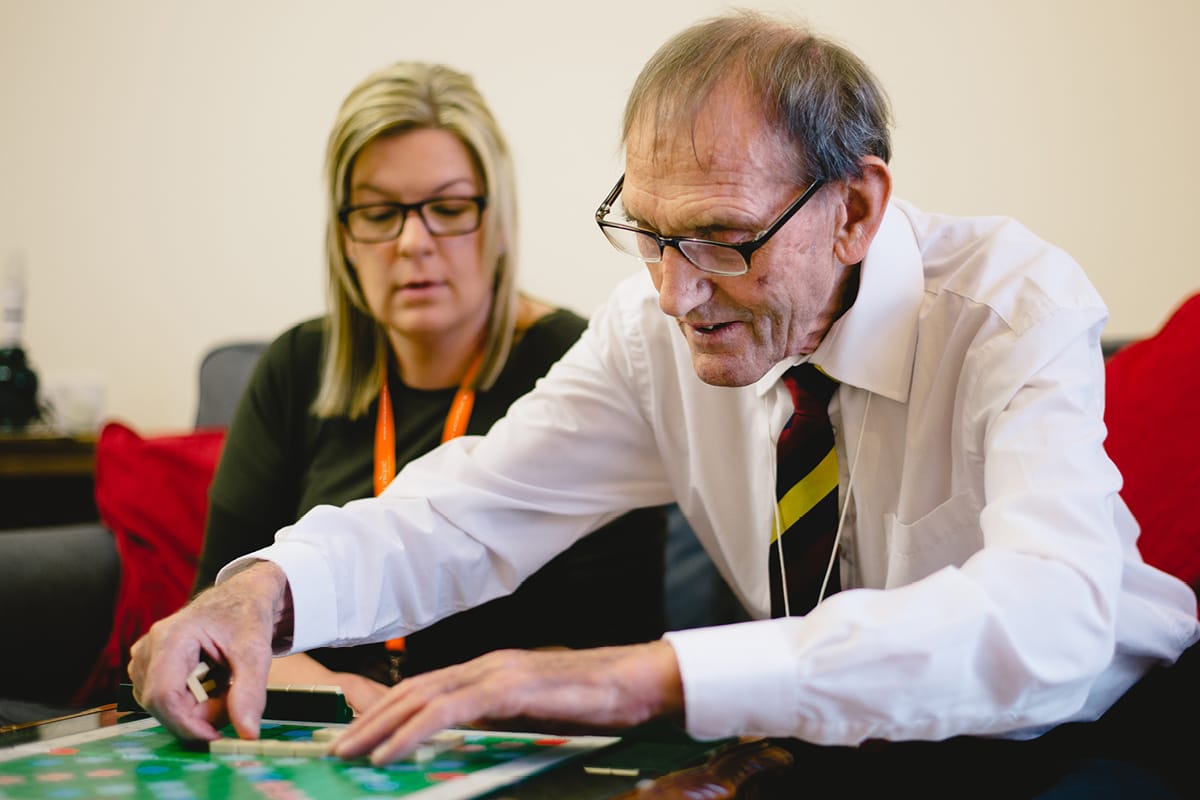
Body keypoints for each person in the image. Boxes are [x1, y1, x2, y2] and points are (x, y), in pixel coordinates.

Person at [131, 12, 1200, 797]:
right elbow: (467, 509)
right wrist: (266, 589)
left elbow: (1050, 619)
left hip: (1086, 733)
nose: (676, 291)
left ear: (856, 208)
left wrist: (643, 675)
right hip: (844, 748)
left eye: (724, 239)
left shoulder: (1011, 300)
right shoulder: (654, 335)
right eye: (647, 231)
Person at [186, 60, 667, 714]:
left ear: (499, 225)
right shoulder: (297, 364)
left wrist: (440, 704)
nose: (414, 242)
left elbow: (610, 643)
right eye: (380, 213)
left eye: (447, 208)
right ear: (343, 237)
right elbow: (219, 614)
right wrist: (344, 694)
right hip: (320, 732)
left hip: (508, 734)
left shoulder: (583, 363)